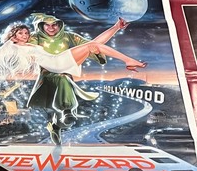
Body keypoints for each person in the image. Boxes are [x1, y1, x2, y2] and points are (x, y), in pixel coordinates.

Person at [0, 21, 146, 145]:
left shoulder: (29, 44)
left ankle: (116, 28)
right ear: (13, 36)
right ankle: (128, 61)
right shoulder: (14, 48)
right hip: (56, 63)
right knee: (92, 46)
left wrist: (116, 27)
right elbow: (5, 64)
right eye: (20, 33)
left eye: (26, 32)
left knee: (94, 45)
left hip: (58, 62)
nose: (25, 35)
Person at [26, 14, 128, 143]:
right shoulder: (35, 38)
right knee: (62, 81)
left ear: (59, 25)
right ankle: (66, 110)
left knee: (69, 120)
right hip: (47, 77)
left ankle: (57, 125)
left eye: (54, 24)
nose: (51, 28)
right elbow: (26, 48)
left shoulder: (69, 36)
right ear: (41, 26)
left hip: (65, 76)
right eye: (47, 25)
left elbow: (93, 44)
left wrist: (116, 27)